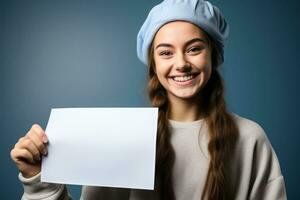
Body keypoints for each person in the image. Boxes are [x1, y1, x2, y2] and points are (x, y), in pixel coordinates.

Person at [10, 0, 287, 199]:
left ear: (213, 56)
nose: (181, 63)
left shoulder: (249, 138)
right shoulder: (122, 137)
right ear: (153, 64)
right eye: (166, 52)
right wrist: (38, 181)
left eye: (194, 49)